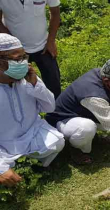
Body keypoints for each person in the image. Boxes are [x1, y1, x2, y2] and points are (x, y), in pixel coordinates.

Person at [0, 34, 65, 187]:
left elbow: (50, 107)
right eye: (17, 59)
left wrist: (35, 85)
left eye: (24, 57)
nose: (22, 63)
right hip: (3, 146)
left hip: (32, 135)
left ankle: (25, 167)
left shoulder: (28, 78)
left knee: (57, 142)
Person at [0, 0, 62, 98]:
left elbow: (55, 12)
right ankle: (24, 109)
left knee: (53, 83)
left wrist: (51, 41)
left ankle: (56, 110)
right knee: (15, 84)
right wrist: (13, 45)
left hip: (44, 45)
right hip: (16, 52)